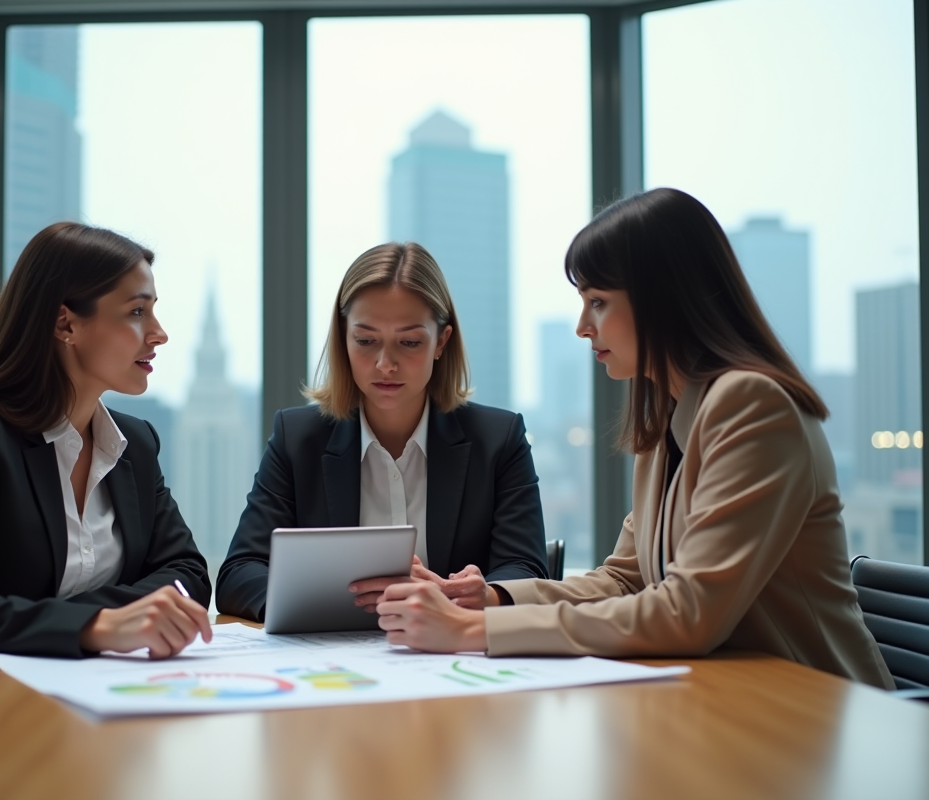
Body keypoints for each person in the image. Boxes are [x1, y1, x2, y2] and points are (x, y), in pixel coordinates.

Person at [374, 189, 894, 689]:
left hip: (820, 709)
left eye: (597, 301)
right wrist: (487, 599)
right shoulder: (669, 416)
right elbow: (625, 580)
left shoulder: (751, 405)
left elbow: (688, 612)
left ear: (664, 299)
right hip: (729, 696)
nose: (582, 326)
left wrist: (471, 632)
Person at [0, 222, 213, 674]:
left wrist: (101, 620)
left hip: (63, 688)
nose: (159, 333)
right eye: (135, 313)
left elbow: (188, 574)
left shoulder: (135, 444)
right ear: (66, 323)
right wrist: (98, 625)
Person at [217, 242, 547, 622]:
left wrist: (480, 596)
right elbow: (239, 573)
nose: (385, 364)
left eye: (409, 342)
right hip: (332, 664)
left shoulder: (498, 439)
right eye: (366, 340)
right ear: (343, 337)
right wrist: (342, 601)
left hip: (453, 657)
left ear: (441, 342)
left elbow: (526, 570)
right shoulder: (297, 439)